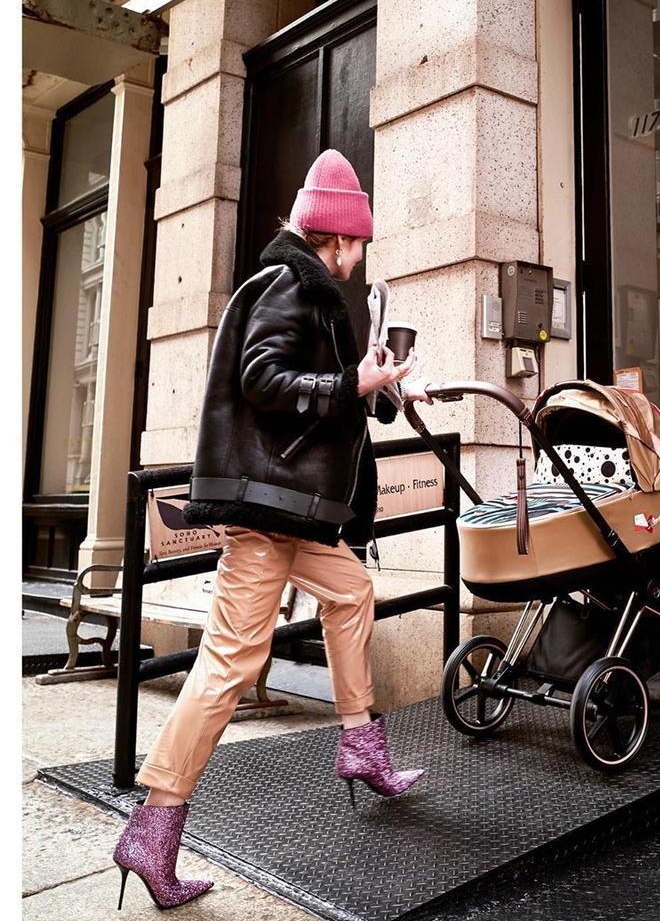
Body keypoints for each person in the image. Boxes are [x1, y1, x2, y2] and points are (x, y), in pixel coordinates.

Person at [112, 150, 430, 911]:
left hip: (297, 510)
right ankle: (152, 827)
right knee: (230, 663)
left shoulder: (314, 294)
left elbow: (331, 397)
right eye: (359, 243)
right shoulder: (287, 283)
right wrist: (351, 381)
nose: (361, 258)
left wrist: (389, 390)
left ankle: (360, 745)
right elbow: (263, 381)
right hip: (268, 512)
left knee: (351, 592)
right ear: (338, 237)